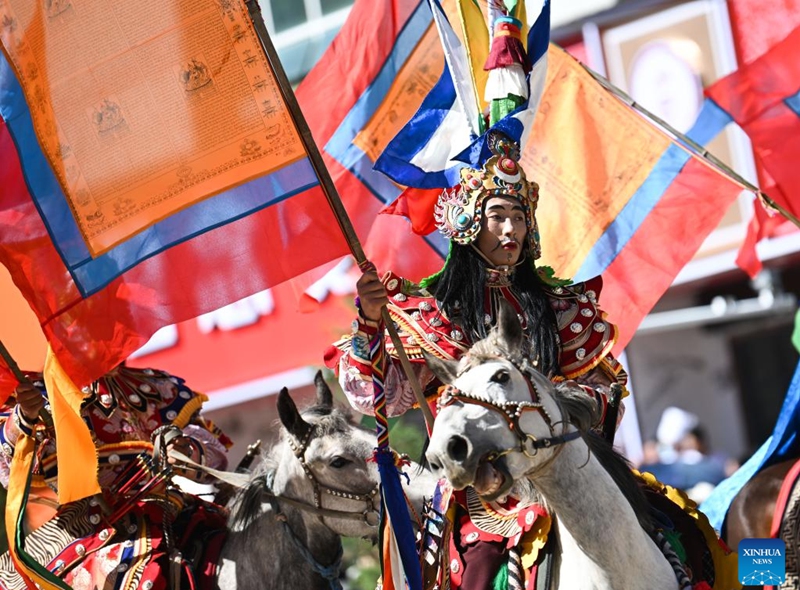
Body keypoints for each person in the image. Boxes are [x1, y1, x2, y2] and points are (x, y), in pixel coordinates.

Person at [326, 131, 629, 589]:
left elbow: (608, 391)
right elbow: (375, 397)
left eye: (518, 218)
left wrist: (560, 409)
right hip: (484, 490)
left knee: (673, 527)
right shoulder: (434, 315)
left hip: (570, 470)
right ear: (468, 222)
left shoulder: (560, 309)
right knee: (480, 570)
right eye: (497, 216)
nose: (510, 230)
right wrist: (370, 321)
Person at [0, 364, 232, 590]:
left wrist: (185, 451)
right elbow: (8, 470)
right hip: (86, 527)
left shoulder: (156, 385)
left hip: (170, 509)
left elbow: (217, 459)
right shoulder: (39, 392)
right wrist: (25, 416)